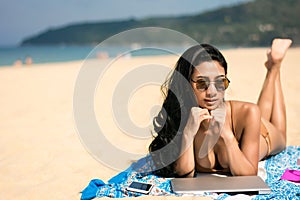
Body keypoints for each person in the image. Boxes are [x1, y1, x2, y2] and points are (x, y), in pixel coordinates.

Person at [148, 38, 292, 177]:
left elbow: (248, 173)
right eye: (202, 83)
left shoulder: (248, 111)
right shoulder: (182, 118)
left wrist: (228, 136)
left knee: (280, 135)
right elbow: (185, 173)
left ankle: (275, 67)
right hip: (243, 127)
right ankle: (272, 67)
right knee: (262, 112)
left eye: (220, 82)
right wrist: (187, 134)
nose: (212, 92)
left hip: (264, 135)